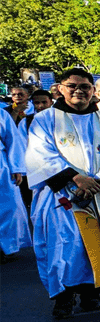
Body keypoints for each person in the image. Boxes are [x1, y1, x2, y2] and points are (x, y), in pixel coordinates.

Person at [25, 68, 100, 318]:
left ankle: (91, 294)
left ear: (92, 90)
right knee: (64, 246)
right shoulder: (45, 119)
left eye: (85, 86)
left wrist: (94, 184)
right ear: (61, 89)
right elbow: (40, 154)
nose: (79, 91)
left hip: (98, 194)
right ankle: (63, 298)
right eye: (72, 86)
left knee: (96, 245)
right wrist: (75, 179)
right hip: (62, 194)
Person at [0, 110, 31, 263]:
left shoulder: (1, 114)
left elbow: (12, 139)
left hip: (1, 166)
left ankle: (7, 246)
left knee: (9, 207)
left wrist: (17, 168)